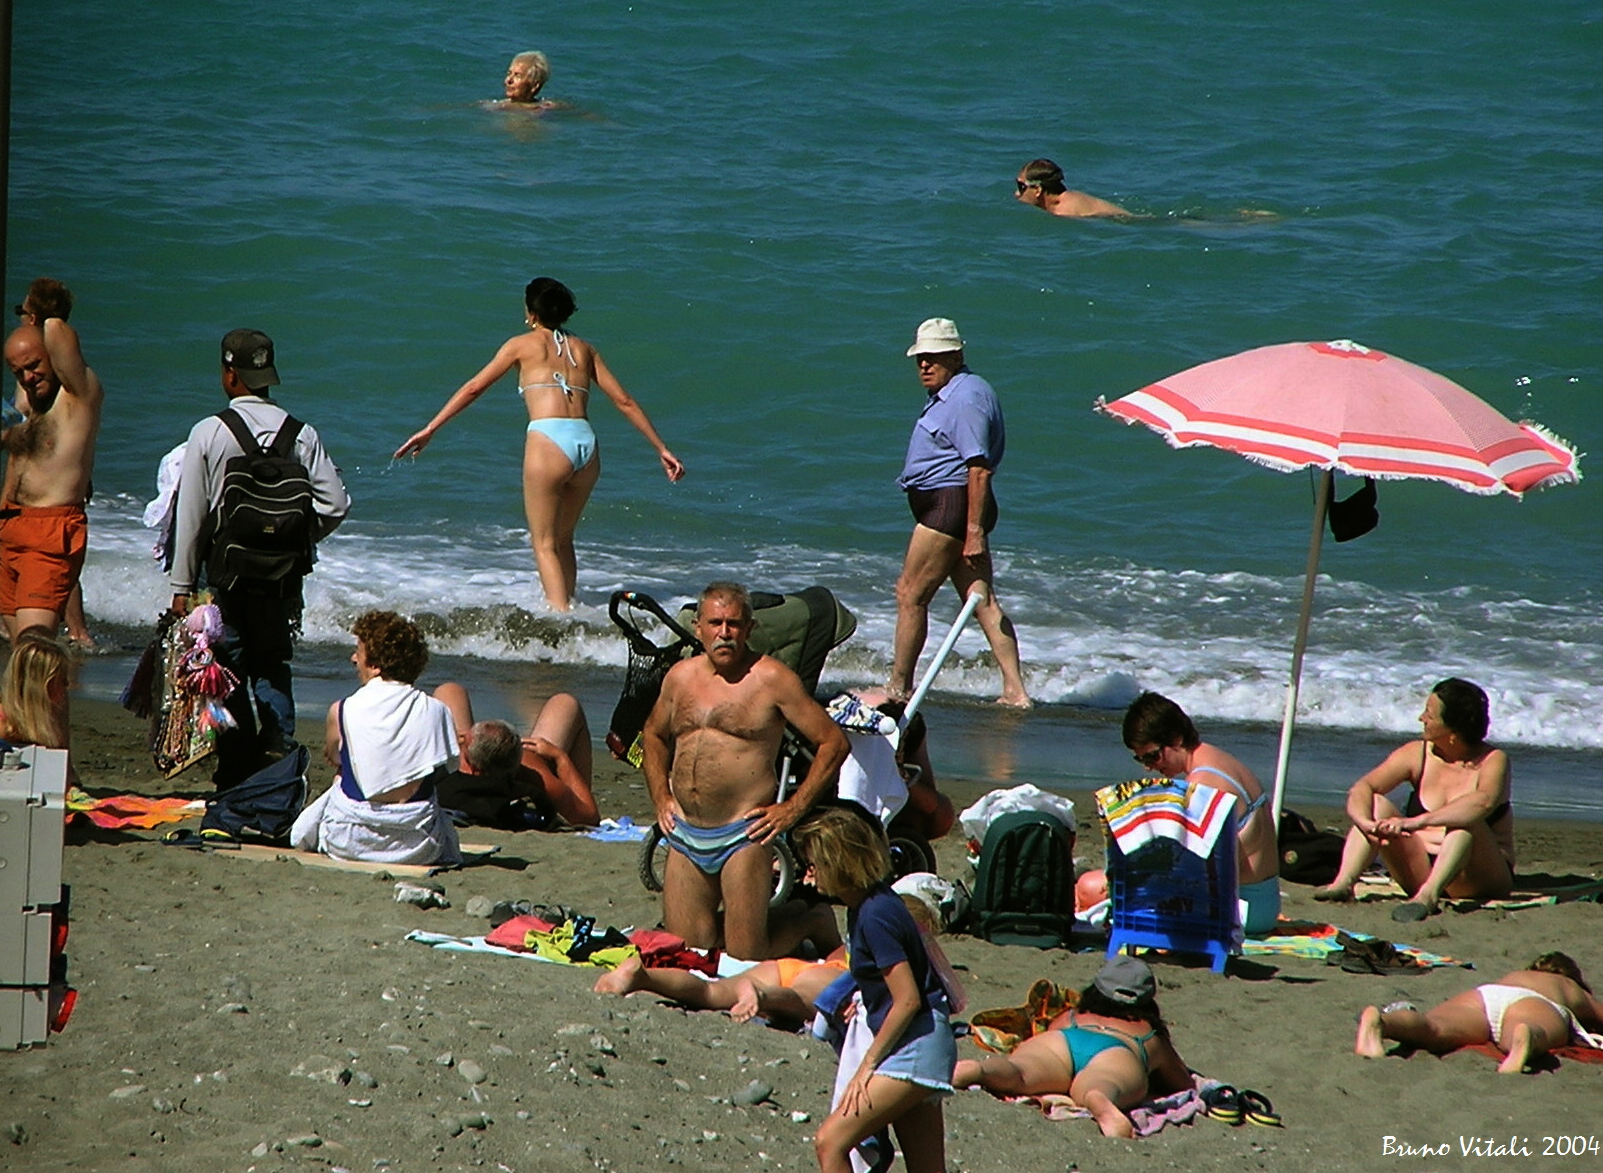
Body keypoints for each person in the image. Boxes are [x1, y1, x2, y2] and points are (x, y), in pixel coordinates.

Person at [395, 278, 684, 612]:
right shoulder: (585, 350)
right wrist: (661, 447)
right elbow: (625, 401)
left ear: (531, 312)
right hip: (586, 445)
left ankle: (561, 621)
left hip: (549, 442)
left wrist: (431, 428)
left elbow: (475, 387)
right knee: (563, 538)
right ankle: (572, 614)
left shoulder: (520, 345)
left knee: (544, 543)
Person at [168, 329, 350, 788]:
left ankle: (237, 761)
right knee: (272, 664)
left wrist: (181, 586)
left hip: (225, 578)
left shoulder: (210, 432)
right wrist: (296, 540)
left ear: (230, 375)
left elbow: (191, 516)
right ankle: (277, 755)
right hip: (282, 581)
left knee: (224, 668)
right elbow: (336, 504)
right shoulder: (301, 434)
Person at [642, 581, 849, 961]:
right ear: (698, 627)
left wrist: (792, 809)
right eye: (716, 623)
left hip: (744, 833)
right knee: (692, 954)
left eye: (734, 624)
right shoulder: (680, 678)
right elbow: (653, 735)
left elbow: (833, 743)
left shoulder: (771, 679)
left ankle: (812, 919)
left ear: (749, 629)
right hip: (686, 830)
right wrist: (661, 797)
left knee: (743, 959)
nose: (724, 633)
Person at [791, 807, 954, 1173]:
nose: (808, 873)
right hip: (927, 1040)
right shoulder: (873, 903)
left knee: (830, 1142)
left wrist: (866, 1067)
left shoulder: (875, 914)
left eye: (814, 863)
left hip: (914, 1047)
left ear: (838, 861)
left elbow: (908, 998)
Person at [888, 318, 1030, 708]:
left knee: (910, 595)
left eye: (933, 358)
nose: (924, 366)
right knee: (981, 599)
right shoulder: (956, 392)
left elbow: (979, 469)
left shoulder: (965, 398)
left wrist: (974, 532)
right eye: (920, 359)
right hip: (950, 508)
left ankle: (899, 689)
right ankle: (1015, 692)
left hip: (950, 507)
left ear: (956, 355)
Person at [1313, 678, 1513, 922]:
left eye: (1429, 714)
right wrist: (1365, 823)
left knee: (1465, 823)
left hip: (1477, 875)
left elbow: (1483, 802)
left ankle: (1429, 896)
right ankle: (1343, 884)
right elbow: (1363, 787)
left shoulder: (1493, 760)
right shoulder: (1417, 753)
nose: (1421, 718)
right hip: (1420, 867)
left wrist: (1418, 822)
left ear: (1453, 730)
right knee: (1375, 803)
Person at [953, 955, 1192, 1138]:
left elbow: (1047, 1032)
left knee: (1020, 1070)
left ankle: (980, 1071)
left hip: (1065, 1038)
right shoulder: (1149, 1033)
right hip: (1118, 1050)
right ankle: (1099, 1098)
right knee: (1104, 1081)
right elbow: (1181, 1082)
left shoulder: (1072, 1014)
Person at [290, 611, 460, 865]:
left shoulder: (342, 709)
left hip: (348, 841)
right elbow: (447, 768)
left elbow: (334, 756)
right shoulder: (436, 710)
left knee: (343, 774)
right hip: (417, 847)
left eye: (359, 651)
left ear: (376, 665)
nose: (353, 658)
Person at [1122, 691, 1281, 934]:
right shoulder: (1218, 759)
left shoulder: (1203, 784)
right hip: (1263, 903)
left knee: (1110, 894)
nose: (1149, 767)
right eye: (1140, 759)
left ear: (1176, 739)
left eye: (1153, 755)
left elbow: (1203, 869)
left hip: (1241, 909)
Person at [1, 302, 103, 640]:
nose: (28, 378)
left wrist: (42, 313)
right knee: (20, 650)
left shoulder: (79, 395)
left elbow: (58, 333)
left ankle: (78, 633)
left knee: (33, 646)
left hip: (49, 530)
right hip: (10, 526)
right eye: (19, 373)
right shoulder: (29, 402)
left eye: (34, 366)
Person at [1355, 952, 1603, 1074]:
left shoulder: (1515, 976)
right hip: (1535, 1004)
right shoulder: (1568, 986)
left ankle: (1383, 1022)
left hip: (1488, 995)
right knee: (1528, 1027)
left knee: (1433, 1026)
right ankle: (1526, 1037)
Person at [431, 681, 600, 828]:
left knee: (450, 689)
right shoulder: (531, 771)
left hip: (468, 779)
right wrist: (561, 758)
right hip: (510, 776)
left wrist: (459, 739)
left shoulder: (448, 765)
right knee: (566, 703)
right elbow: (589, 818)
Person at [594, 945, 850, 1025]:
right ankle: (762, 995)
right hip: (835, 976)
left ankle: (644, 977)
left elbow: (835, 951)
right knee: (799, 998)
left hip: (789, 966)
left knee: (711, 991)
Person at [0, 627, 71, 750]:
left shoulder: (47, 716)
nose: (66, 684)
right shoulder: (4, 725)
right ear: (42, 685)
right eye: (60, 679)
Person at [1013, 159, 1131, 219]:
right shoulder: (1066, 199)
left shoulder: (1064, 212)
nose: (1017, 193)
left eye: (1021, 187)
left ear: (1038, 190)